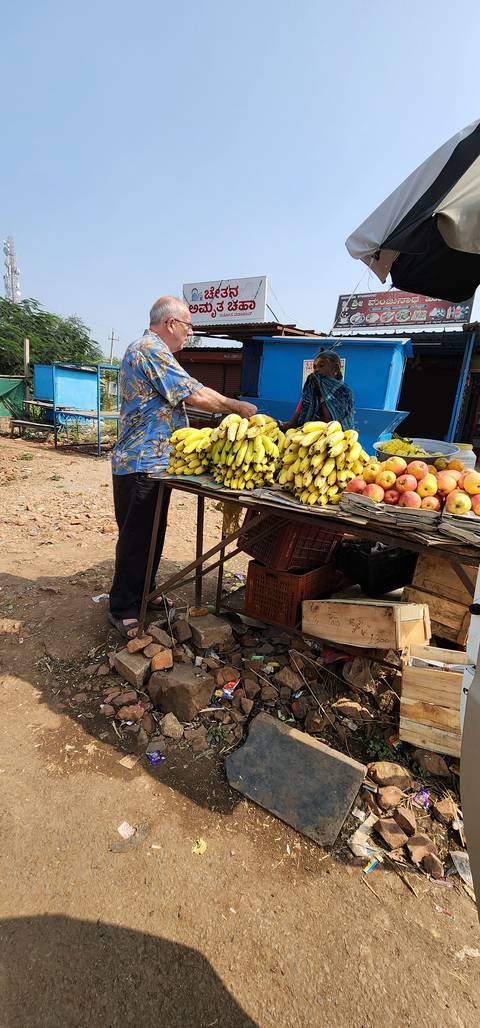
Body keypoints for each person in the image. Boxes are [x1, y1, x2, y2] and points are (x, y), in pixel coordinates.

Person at [109, 296, 257, 638]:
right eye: (188, 326)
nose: (190, 334)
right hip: (140, 461)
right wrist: (238, 407)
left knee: (152, 532)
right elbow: (195, 394)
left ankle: (144, 593)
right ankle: (124, 607)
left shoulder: (151, 350)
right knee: (136, 538)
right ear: (171, 323)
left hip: (156, 462)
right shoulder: (149, 349)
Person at [282, 351, 355, 431]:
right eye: (314, 367)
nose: (316, 370)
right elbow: (292, 423)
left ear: (336, 368)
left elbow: (330, 426)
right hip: (304, 439)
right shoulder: (309, 394)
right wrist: (276, 424)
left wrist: (321, 393)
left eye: (321, 366)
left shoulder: (344, 392)